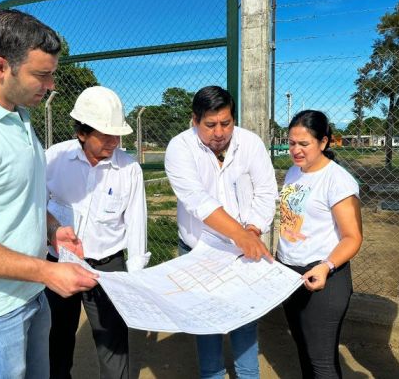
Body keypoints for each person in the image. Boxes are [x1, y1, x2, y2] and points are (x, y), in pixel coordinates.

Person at [0, 9, 98, 379]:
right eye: (42, 74)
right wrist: (46, 270)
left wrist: (51, 227)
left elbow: (15, 197)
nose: (52, 84)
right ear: (0, 67)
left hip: (26, 295)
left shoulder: (18, 114)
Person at [165, 85, 277, 379]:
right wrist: (241, 235)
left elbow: (266, 192)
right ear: (194, 120)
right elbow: (197, 201)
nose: (219, 132)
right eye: (210, 125)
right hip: (198, 249)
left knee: (245, 318)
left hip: (245, 250)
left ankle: (248, 375)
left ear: (234, 119)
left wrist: (251, 229)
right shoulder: (180, 148)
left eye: (226, 123)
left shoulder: (250, 144)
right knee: (206, 322)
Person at [45, 86, 150, 379]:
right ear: (82, 133)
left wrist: (135, 275)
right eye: (106, 136)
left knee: (113, 343)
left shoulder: (128, 169)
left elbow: (137, 224)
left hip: (107, 267)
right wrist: (51, 233)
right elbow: (36, 205)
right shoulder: (53, 159)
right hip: (59, 263)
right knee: (56, 338)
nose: (114, 142)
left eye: (117, 135)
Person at [277, 110, 363, 378]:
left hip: (323, 275)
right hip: (289, 273)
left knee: (322, 361)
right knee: (303, 349)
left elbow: (353, 237)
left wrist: (326, 266)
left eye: (304, 144)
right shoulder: (294, 172)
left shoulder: (337, 180)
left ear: (323, 142)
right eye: (291, 143)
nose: (296, 150)